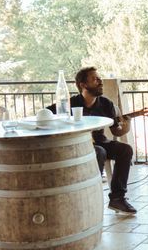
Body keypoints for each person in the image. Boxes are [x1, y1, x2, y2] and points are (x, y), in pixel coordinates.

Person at [48, 67, 136, 215]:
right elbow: (46, 113)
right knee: (99, 152)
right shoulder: (69, 103)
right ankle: (91, 198)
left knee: (124, 149)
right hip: (78, 145)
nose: (100, 81)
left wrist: (127, 124)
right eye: (95, 79)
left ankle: (117, 199)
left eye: (99, 78)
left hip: (100, 142)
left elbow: (116, 131)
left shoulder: (106, 104)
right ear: (83, 85)